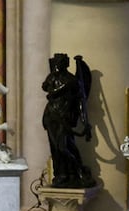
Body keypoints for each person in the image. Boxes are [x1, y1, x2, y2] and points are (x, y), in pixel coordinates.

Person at [42, 53, 95, 188]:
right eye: (55, 62)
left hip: (64, 117)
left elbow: (80, 103)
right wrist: (52, 79)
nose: (56, 64)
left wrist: (85, 123)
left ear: (65, 63)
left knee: (64, 147)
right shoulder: (52, 77)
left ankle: (76, 170)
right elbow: (45, 87)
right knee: (55, 148)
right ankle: (61, 174)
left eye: (59, 62)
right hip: (51, 115)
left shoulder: (72, 80)